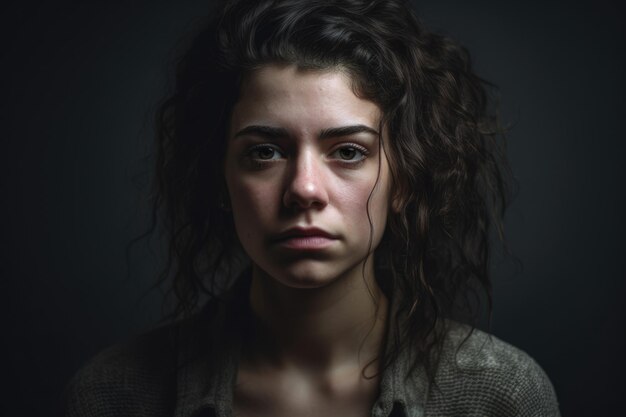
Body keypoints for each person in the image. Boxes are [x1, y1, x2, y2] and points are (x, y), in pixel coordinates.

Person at [63, 0, 561, 416]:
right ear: (220, 177)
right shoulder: (114, 395)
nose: (303, 189)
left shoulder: (502, 396)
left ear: (403, 180)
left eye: (348, 152)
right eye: (265, 151)